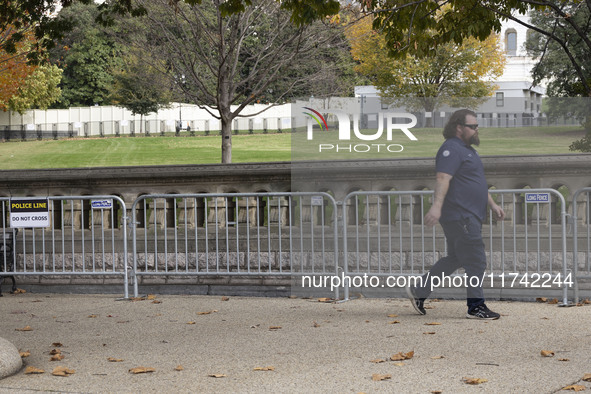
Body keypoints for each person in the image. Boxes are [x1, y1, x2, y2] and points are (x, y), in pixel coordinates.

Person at [406, 109, 505, 320]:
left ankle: (419, 290)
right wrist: (436, 207)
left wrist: (493, 204)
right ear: (459, 127)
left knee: (456, 258)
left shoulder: (468, 150)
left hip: (470, 215)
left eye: (477, 126)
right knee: (476, 259)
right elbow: (443, 178)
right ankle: (475, 306)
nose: (477, 129)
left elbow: (476, 182)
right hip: (460, 215)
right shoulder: (451, 149)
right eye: (473, 126)